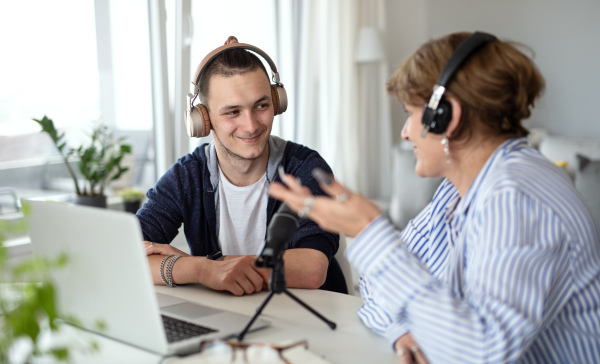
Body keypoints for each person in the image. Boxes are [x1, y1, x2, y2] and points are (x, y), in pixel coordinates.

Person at [269, 31, 600, 363]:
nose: (405, 132)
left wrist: (370, 230)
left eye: (410, 114)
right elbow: (374, 287)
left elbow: (480, 354)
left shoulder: (517, 196)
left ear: (446, 116)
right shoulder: (457, 190)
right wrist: (405, 331)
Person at [138, 36, 347, 296]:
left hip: (309, 318)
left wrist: (204, 266)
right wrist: (202, 270)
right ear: (203, 119)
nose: (251, 126)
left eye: (261, 105)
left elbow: (312, 268)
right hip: (228, 317)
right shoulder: (187, 176)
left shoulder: (305, 168)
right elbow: (129, 254)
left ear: (276, 102)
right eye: (232, 112)